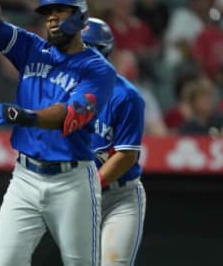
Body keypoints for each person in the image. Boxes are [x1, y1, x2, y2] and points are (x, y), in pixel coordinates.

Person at [0, 0, 116, 266]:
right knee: (5, 262)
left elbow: (69, 114)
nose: (51, 17)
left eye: (60, 11)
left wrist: (22, 116)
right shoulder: (31, 48)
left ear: (80, 17)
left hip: (72, 183)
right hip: (24, 178)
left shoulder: (97, 70)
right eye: (48, 12)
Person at [82, 18, 147, 266]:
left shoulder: (126, 96)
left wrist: (88, 188)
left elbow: (126, 155)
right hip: (75, 194)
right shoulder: (61, 88)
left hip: (118, 196)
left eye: (92, 48)